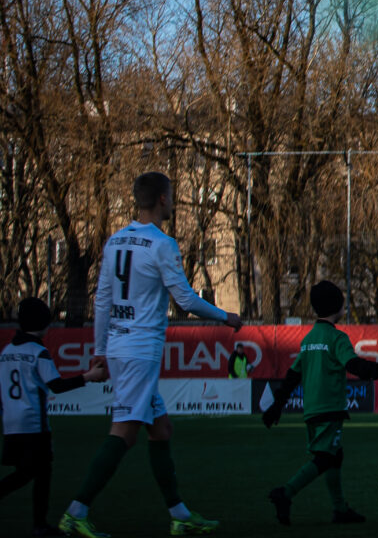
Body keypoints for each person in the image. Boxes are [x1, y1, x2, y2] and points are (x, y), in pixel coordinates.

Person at [61, 170, 241, 538]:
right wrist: (227, 317)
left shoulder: (115, 241)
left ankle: (179, 514)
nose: (172, 202)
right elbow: (186, 301)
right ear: (162, 199)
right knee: (124, 433)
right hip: (140, 351)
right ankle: (75, 511)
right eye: (171, 195)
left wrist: (100, 351)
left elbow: (105, 300)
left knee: (161, 430)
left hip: (120, 346)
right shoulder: (162, 244)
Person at [263, 281, 378, 524]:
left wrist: (276, 406)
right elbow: (354, 365)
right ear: (338, 306)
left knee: (334, 455)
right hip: (330, 409)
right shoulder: (337, 338)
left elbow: (293, 375)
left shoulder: (309, 339)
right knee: (325, 459)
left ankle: (340, 509)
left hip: (311, 410)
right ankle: (286, 493)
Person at [2, 297, 107, 536]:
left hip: (11, 424)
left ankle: (40, 524)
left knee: (26, 472)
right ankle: (40, 525)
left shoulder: (7, 351)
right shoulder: (38, 352)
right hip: (33, 424)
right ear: (43, 322)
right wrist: (89, 376)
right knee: (39, 474)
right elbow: (57, 386)